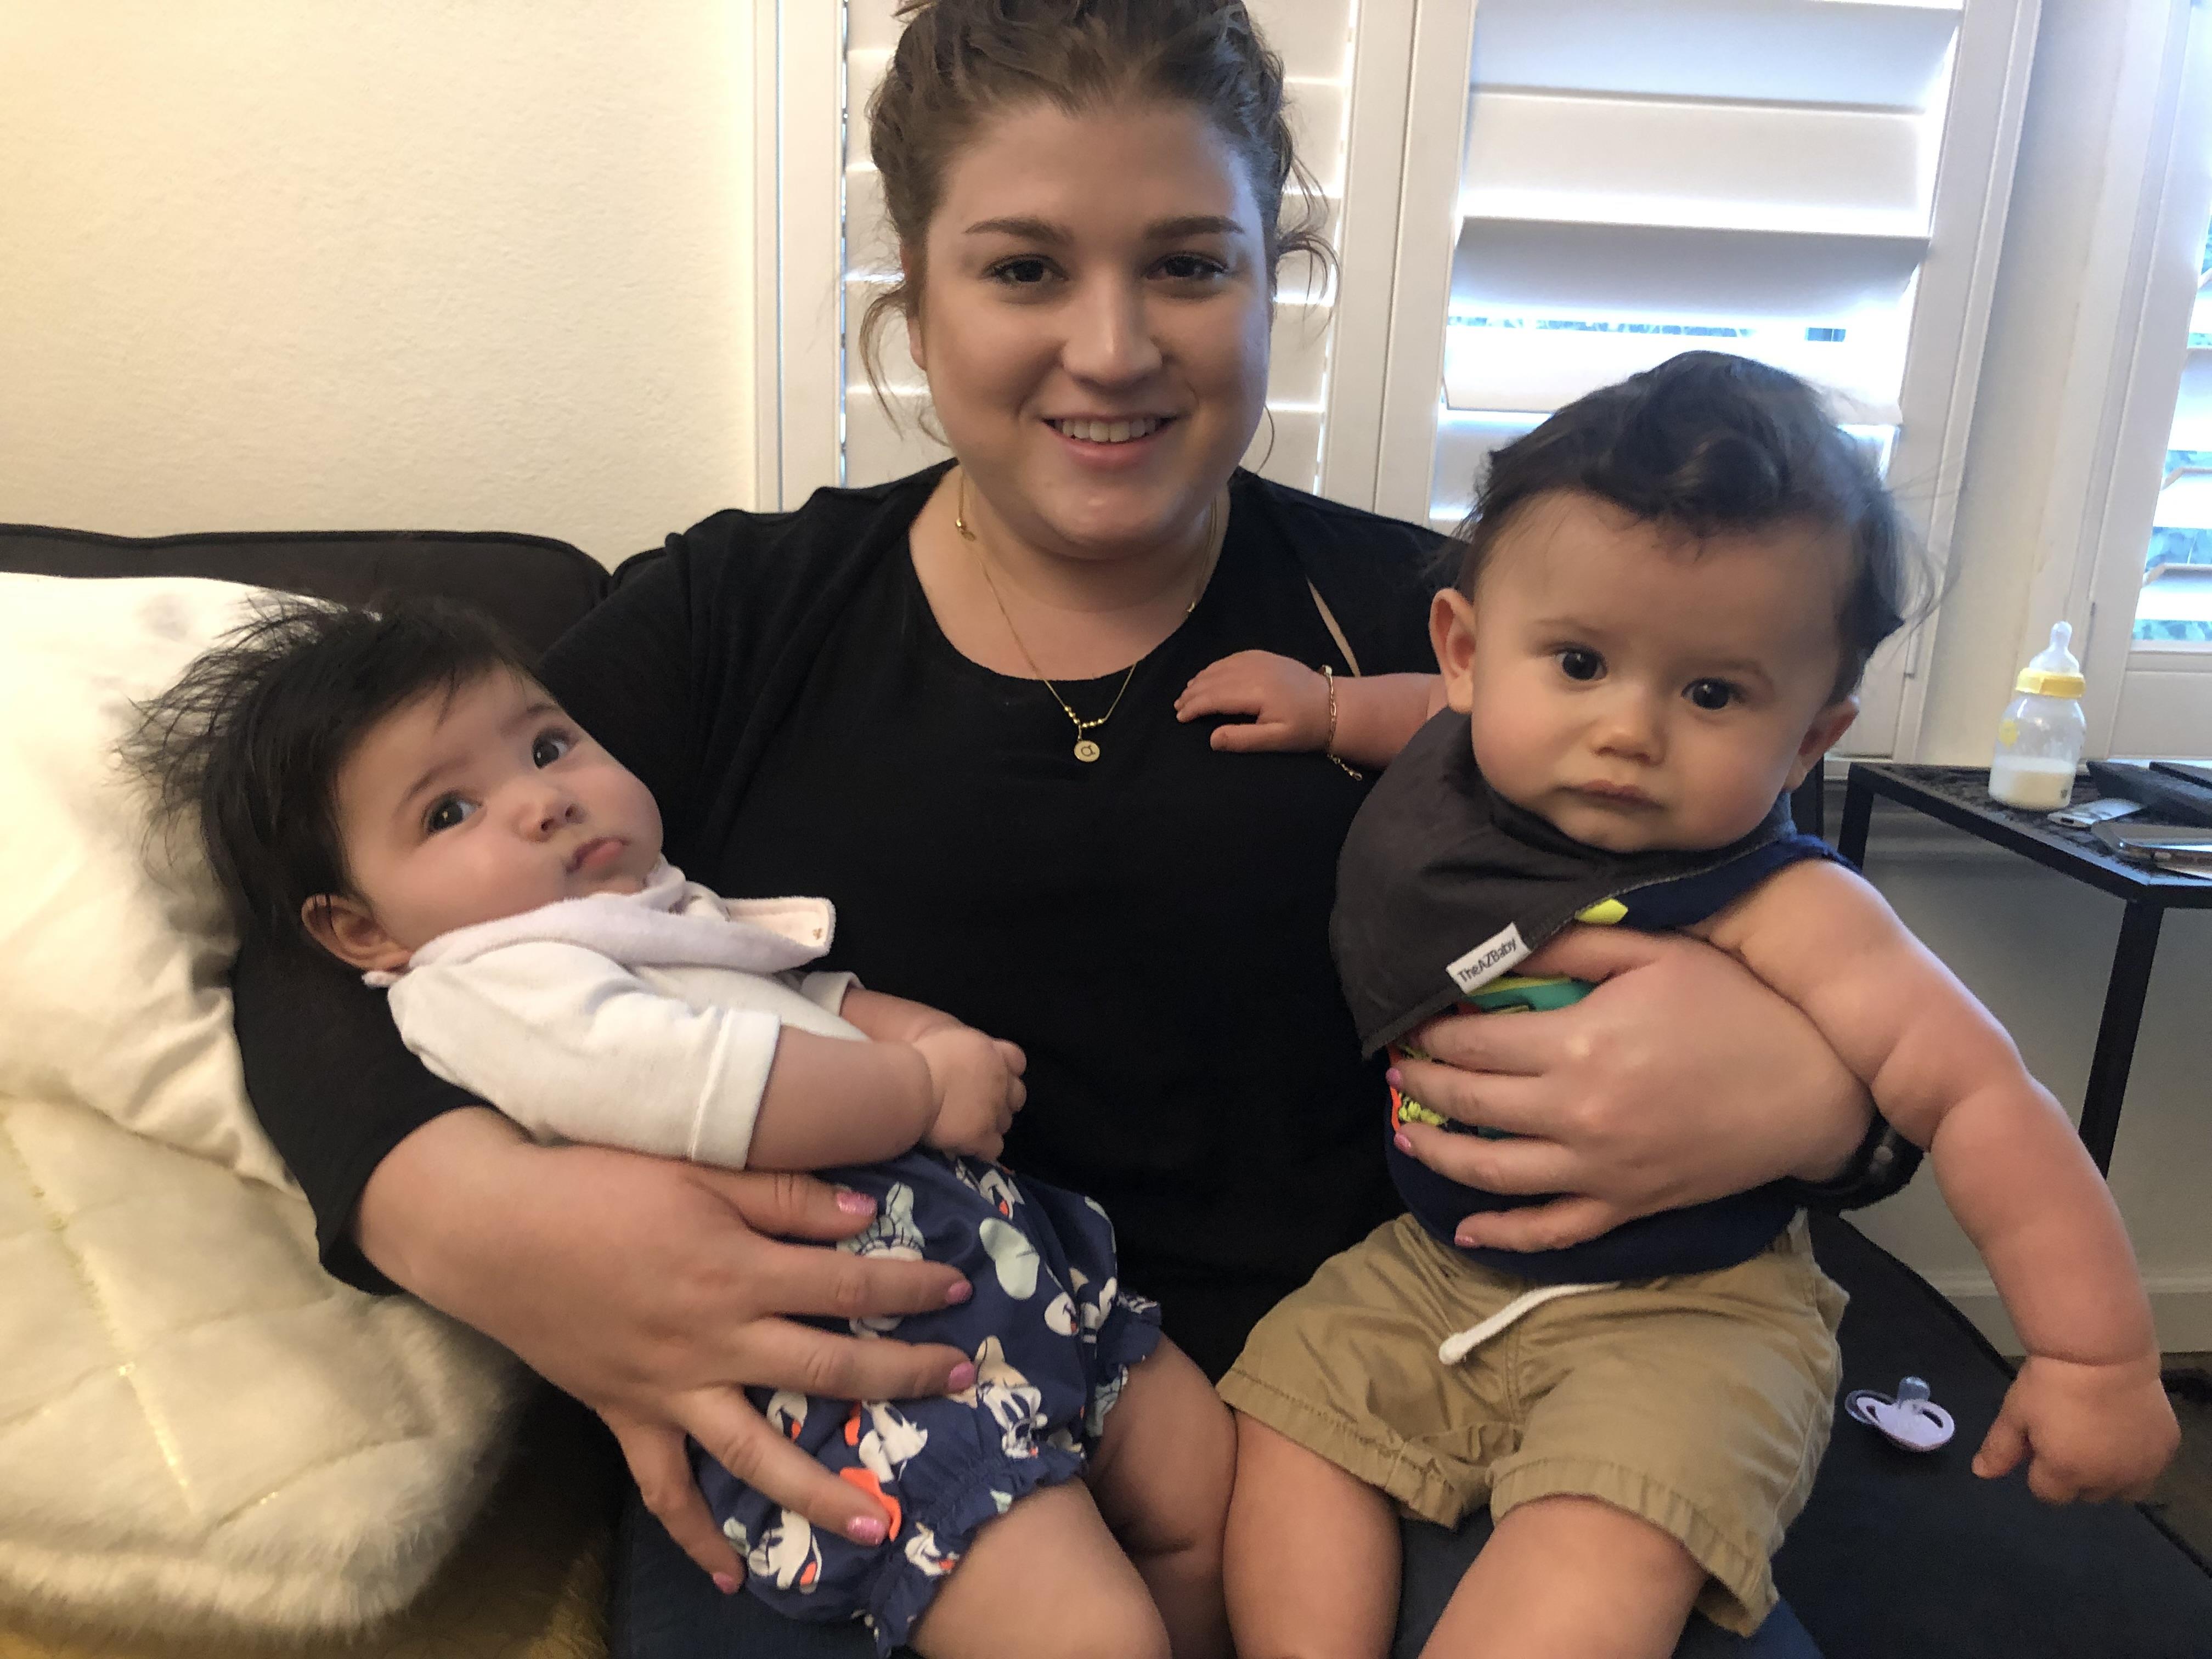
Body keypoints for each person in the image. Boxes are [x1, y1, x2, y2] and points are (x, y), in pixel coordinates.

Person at [227, 4, 1909, 1654]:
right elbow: (318, 940)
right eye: (1025, 267)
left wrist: (1823, 1107)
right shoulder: (737, 614)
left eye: (1189, 265)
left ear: (1275, 281)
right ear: (914, 293)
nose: (1112, 348)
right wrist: (476, 1225)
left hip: (1399, 1401)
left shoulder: (1472, 630)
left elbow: (1824, 931)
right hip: (876, 1397)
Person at [1183, 353, 2180, 1659]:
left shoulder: (1780, 900)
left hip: (1691, 1315)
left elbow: (1983, 1093)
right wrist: (1324, 709)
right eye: (1583, 661)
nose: (1629, 731)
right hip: (1435, 1266)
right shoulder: (1459, 744)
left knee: (1605, 1538)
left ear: (1812, 740)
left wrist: (2095, 1359)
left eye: (1712, 694)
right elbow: (1418, 713)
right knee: (1290, 1418)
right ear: (1472, 652)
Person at [132, 597, 1233, 1658]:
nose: (542, 800)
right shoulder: (492, 979)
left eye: (550, 747)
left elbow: (800, 993)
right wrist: (917, 1088)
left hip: (1003, 1273)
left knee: (1199, 1477)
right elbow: (700, 1081)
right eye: (448, 812)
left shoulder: (654, 911)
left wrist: (927, 1033)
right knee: (1093, 1634)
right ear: (362, 928)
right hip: (853, 1388)